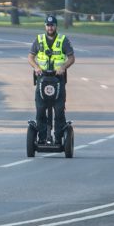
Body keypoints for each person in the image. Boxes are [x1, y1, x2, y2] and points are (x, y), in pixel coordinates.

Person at [27, 14, 75, 144]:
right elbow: (30, 57)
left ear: (55, 26)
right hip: (42, 78)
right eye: (48, 25)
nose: (50, 28)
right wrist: (36, 67)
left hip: (58, 79)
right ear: (45, 26)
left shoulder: (63, 40)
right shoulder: (39, 39)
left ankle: (59, 138)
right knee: (41, 109)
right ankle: (42, 137)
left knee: (59, 109)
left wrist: (63, 67)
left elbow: (71, 58)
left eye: (52, 25)